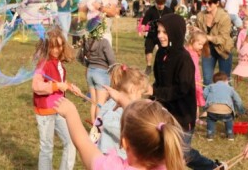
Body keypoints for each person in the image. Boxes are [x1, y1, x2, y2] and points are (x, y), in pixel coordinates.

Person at [153, 13, 222, 169]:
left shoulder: (184, 58)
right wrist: (151, 95)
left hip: (182, 116)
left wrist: (155, 92)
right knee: (166, 152)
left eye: (165, 32)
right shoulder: (160, 54)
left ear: (175, 32)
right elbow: (159, 82)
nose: (161, 36)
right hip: (164, 114)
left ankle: (212, 167)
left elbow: (182, 89)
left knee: (182, 153)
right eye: (159, 32)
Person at [54, 98, 187, 170]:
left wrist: (70, 112)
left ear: (124, 142)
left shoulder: (111, 167)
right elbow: (147, 123)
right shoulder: (172, 164)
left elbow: (83, 143)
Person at [31, 27, 79, 170]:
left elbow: (60, 83)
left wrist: (70, 86)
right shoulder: (43, 64)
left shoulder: (59, 64)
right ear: (47, 47)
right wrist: (56, 86)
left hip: (59, 109)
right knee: (47, 148)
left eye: (59, 46)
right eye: (53, 47)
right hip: (45, 111)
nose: (56, 50)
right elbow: (36, 86)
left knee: (71, 142)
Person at [93, 65, 150, 159]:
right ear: (133, 89)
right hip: (111, 156)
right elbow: (106, 121)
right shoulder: (117, 105)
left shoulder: (112, 102)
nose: (140, 97)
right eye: (140, 93)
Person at [195, 0, 234, 85]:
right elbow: (196, 31)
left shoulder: (224, 17)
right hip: (207, 49)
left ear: (217, 3)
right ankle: (208, 99)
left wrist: (206, 37)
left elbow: (223, 39)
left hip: (224, 49)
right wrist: (194, 30)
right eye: (205, 2)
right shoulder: (200, 15)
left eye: (210, 3)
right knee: (207, 80)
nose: (207, 5)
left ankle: (226, 99)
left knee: (224, 80)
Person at [82, 19, 116, 124]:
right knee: (101, 104)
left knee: (94, 102)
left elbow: (80, 57)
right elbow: (112, 60)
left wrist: (88, 64)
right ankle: (97, 130)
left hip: (90, 73)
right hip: (101, 73)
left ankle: (93, 124)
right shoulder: (104, 42)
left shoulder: (87, 42)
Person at [203, 72, 245, 141]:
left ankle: (210, 135)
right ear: (226, 81)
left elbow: (204, 94)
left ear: (214, 81)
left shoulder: (210, 86)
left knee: (210, 119)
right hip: (226, 109)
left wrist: (209, 101)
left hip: (212, 108)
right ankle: (230, 134)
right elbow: (238, 100)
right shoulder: (230, 88)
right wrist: (241, 110)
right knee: (228, 119)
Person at [139, 0, 173, 75]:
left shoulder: (168, 11)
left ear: (164, 2)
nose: (160, 6)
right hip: (152, 33)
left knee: (165, 51)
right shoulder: (151, 10)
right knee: (148, 49)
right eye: (158, 4)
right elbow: (144, 21)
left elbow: (173, 22)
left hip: (164, 35)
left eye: (161, 4)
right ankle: (149, 66)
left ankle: (163, 66)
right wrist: (143, 27)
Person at [185, 30, 208, 125]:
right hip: (189, 79)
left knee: (196, 100)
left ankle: (195, 118)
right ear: (192, 41)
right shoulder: (186, 53)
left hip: (196, 79)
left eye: (202, 44)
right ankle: (188, 117)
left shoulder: (195, 52)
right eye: (199, 44)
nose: (201, 47)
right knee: (189, 99)